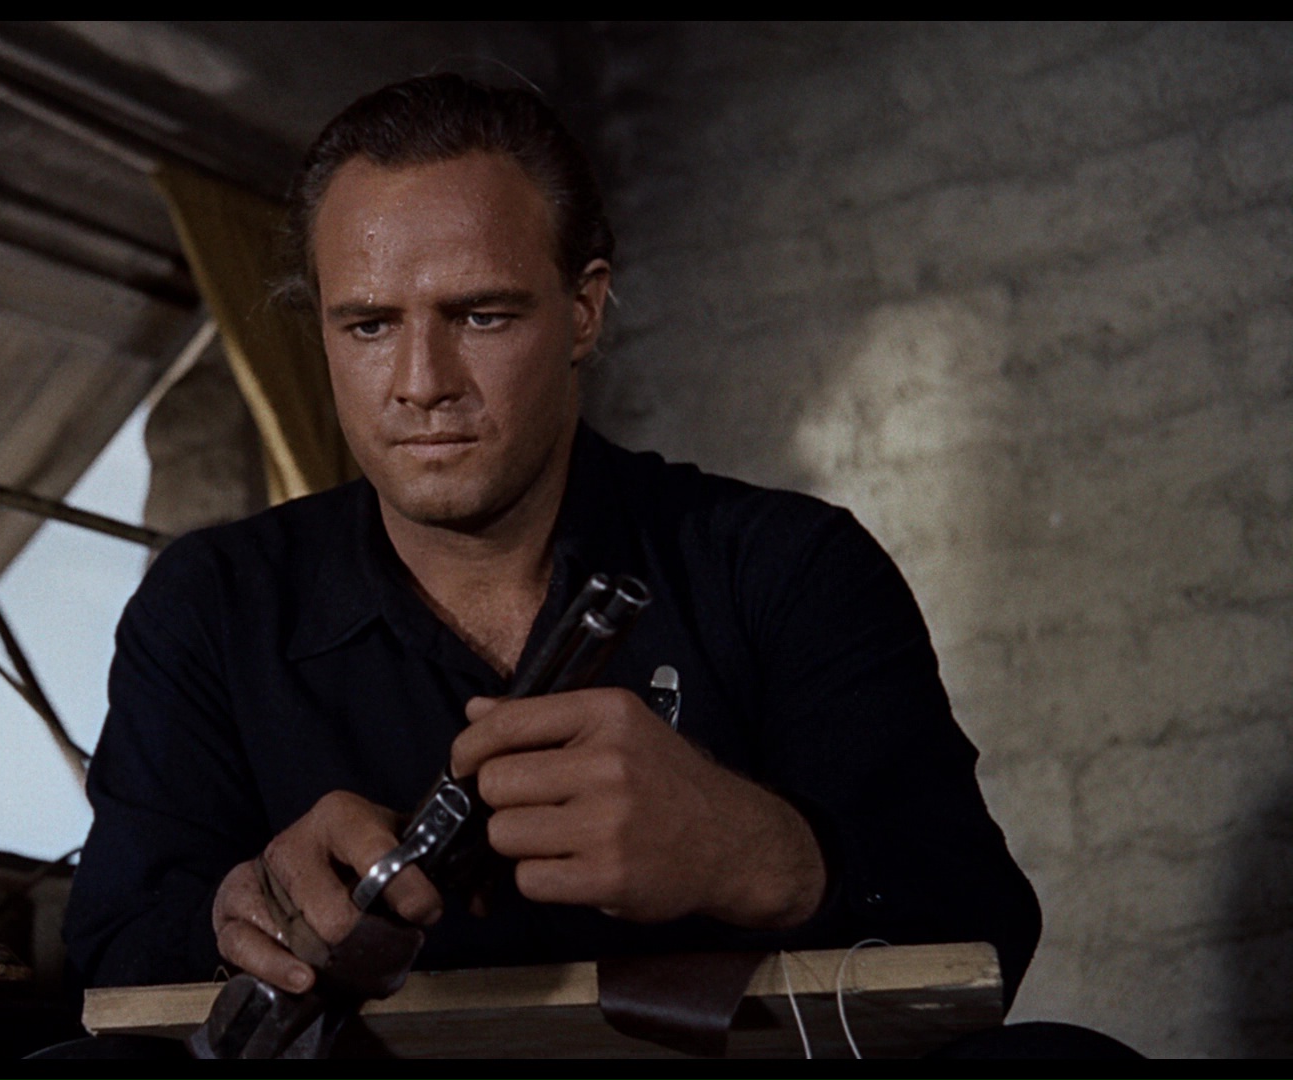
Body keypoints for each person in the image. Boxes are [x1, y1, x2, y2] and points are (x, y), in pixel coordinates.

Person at [62, 74, 1041, 1008]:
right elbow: (110, 954)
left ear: (583, 311)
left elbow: (984, 928)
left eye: (480, 315)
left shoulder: (789, 567)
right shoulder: (211, 605)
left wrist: (759, 858)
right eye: (367, 326)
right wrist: (239, 918)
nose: (421, 382)